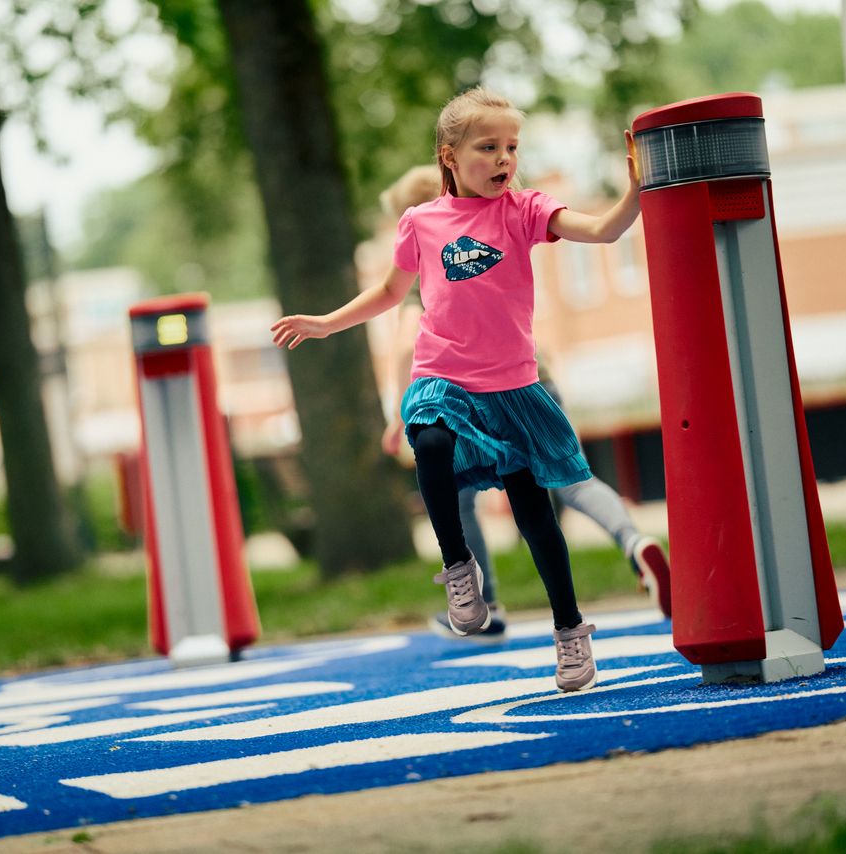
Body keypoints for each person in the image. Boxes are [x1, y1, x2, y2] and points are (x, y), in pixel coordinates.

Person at [272, 87, 642, 692]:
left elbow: (600, 231)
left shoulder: (524, 210)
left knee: (534, 515)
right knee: (432, 442)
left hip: (514, 389)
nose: (503, 159)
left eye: (511, 148)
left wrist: (634, 194)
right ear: (449, 155)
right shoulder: (421, 221)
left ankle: (570, 632)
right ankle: (458, 568)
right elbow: (392, 293)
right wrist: (324, 322)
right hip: (443, 375)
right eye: (488, 147)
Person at [378, 168, 673, 644]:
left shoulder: (430, 255)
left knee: (455, 492)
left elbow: (403, 342)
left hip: (473, 397)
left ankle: (485, 601)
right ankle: (633, 542)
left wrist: (399, 413)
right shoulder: (496, 222)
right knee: (573, 480)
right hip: (536, 383)